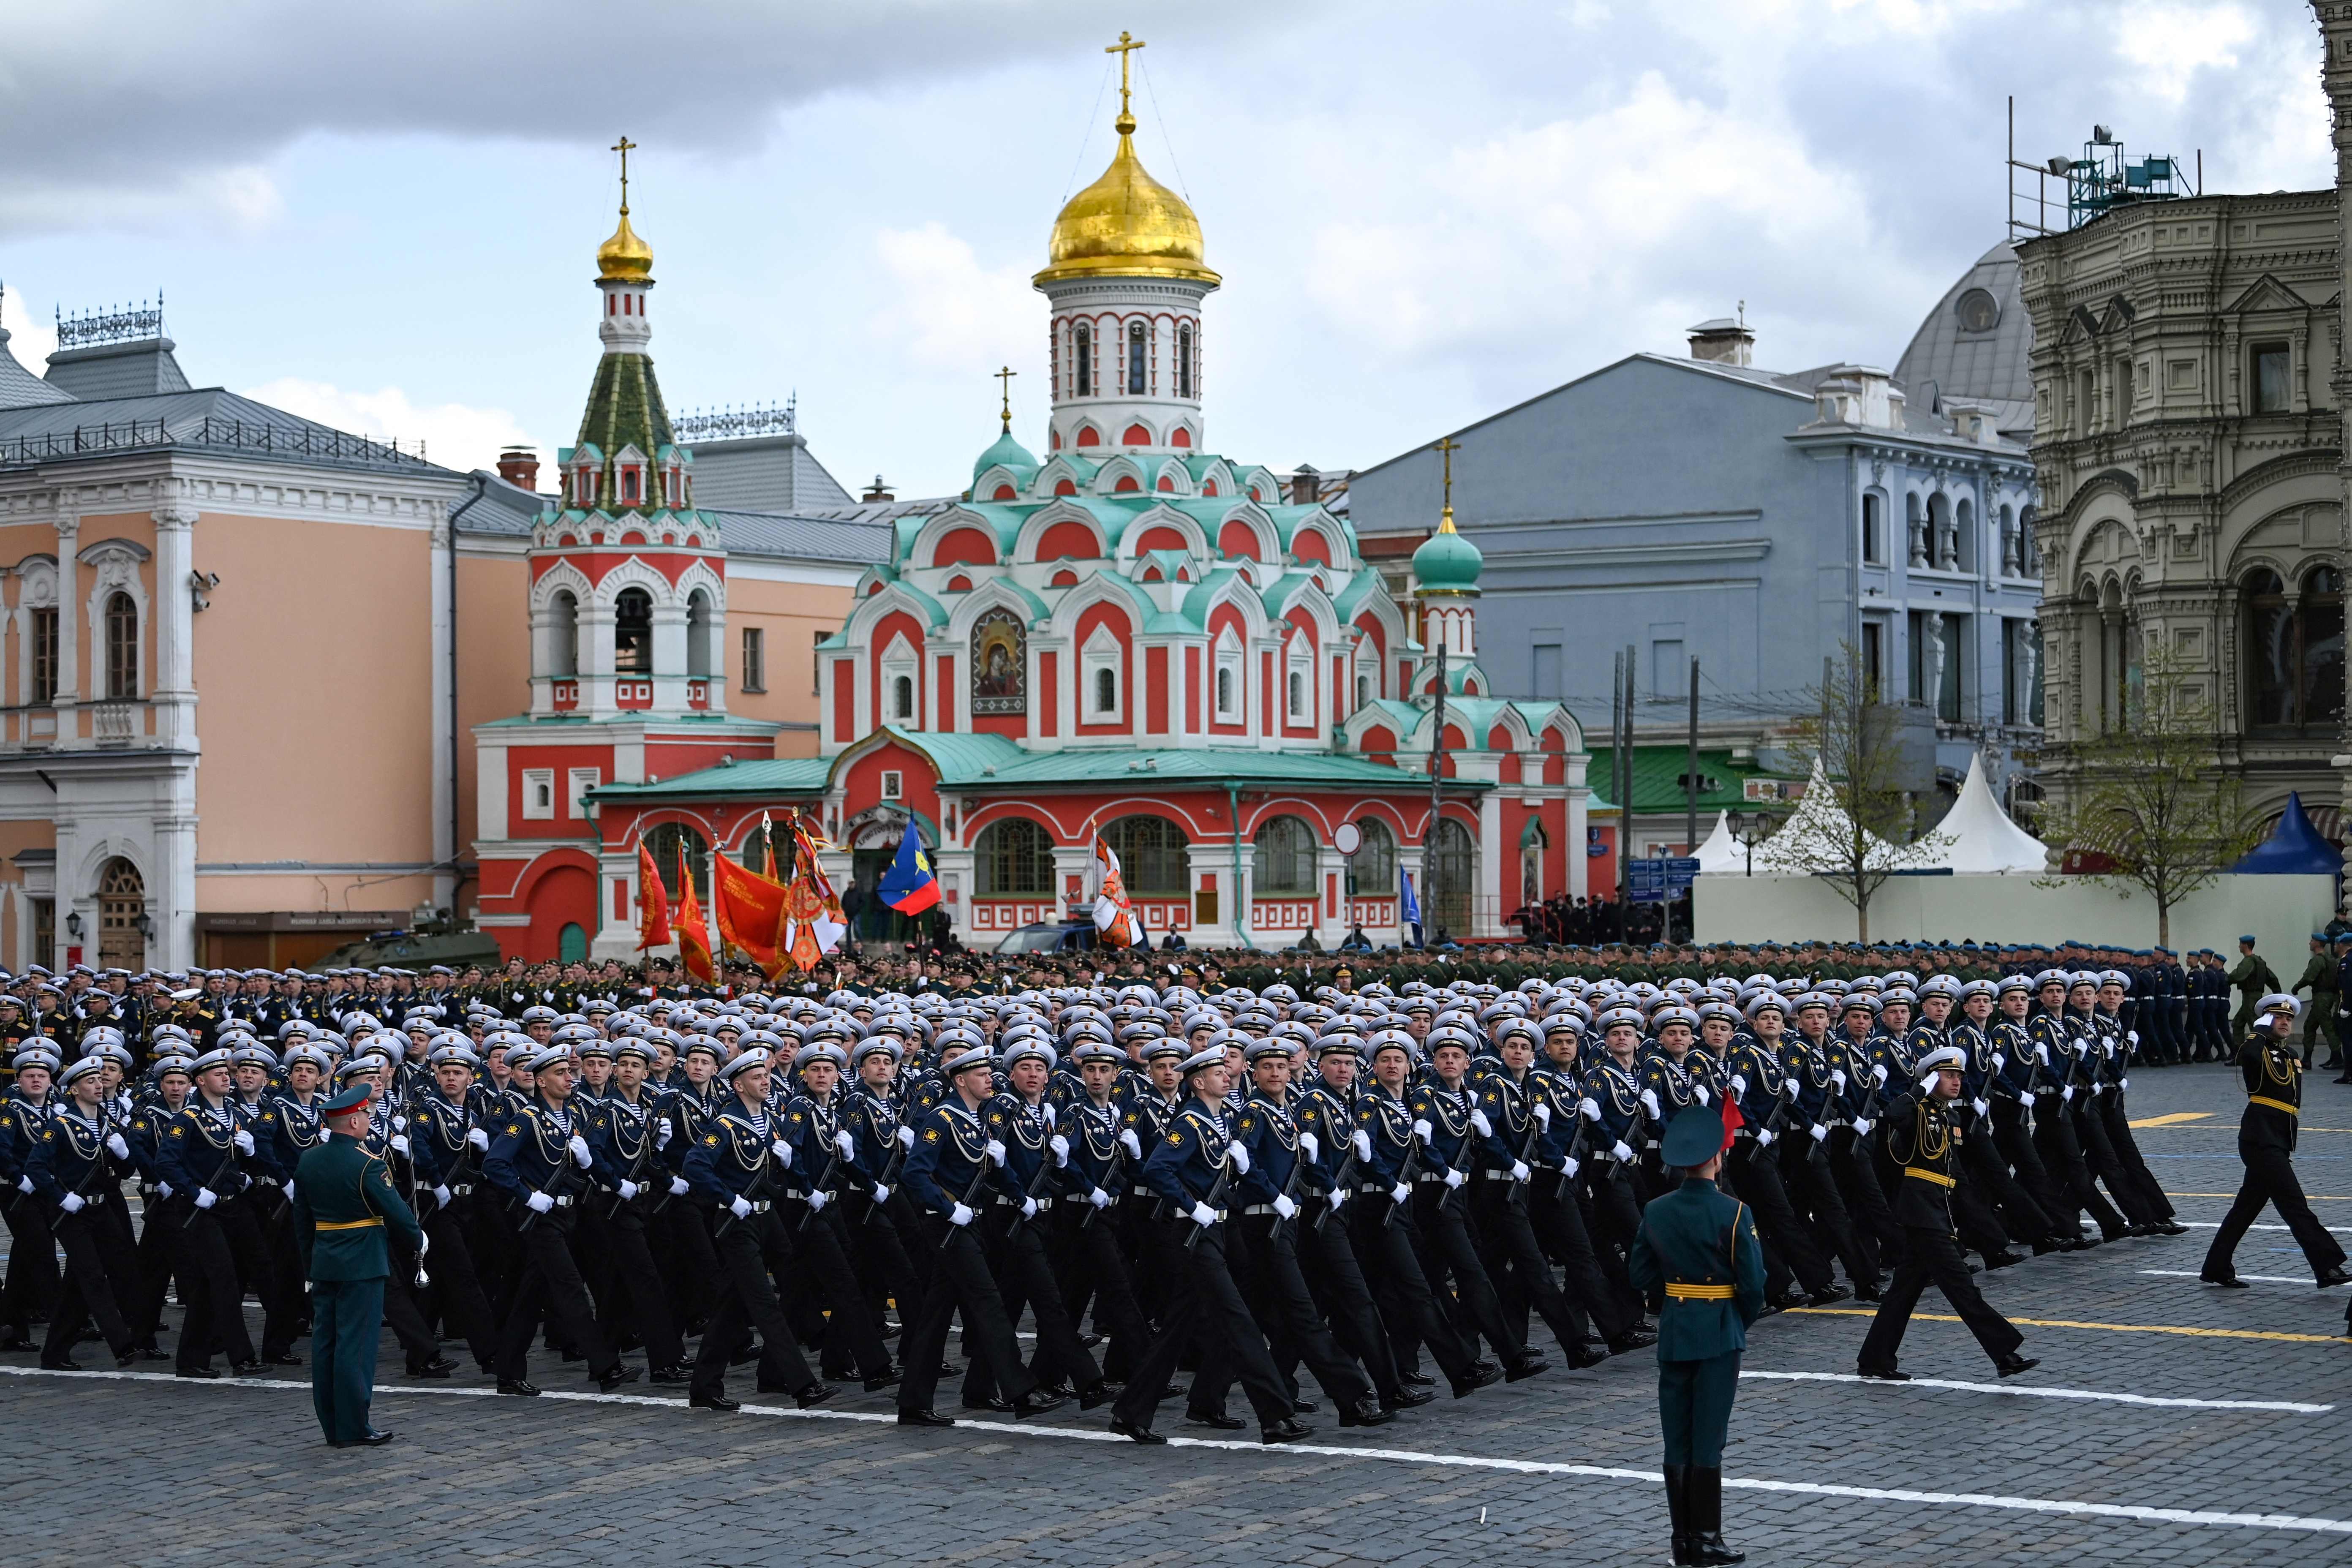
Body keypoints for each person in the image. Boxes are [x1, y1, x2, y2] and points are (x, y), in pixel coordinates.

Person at [1628, 1105, 1765, 1568]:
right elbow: (1753, 1285)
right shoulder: (1734, 1210)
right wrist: (1734, 1321)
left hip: (1675, 1329)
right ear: (1716, 1160)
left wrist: (1672, 1301)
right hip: (1719, 1330)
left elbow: (1640, 1272)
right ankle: (1706, 1538)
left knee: (1677, 1438)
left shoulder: (1657, 1209)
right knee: (1708, 1438)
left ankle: (1682, 1540)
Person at [1856, 1046, 2037, 1382]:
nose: (1956, 1082)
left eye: (1958, 1076)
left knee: (1904, 1292)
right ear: (1931, 1079)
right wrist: (1917, 1090)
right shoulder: (1916, 1109)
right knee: (1961, 1286)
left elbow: (1956, 1173)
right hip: (1920, 1210)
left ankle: (1875, 1358)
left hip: (1940, 1209)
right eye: (1948, 1075)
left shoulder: (1951, 1116)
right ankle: (2004, 1353)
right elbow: (1891, 1116)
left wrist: (1972, 1219)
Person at [292, 1083, 422, 1448]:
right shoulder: (368, 1164)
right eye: (364, 1114)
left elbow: (301, 1220)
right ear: (353, 1121)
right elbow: (397, 1212)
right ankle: (354, 1426)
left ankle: (333, 1425)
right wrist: (418, 1240)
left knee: (326, 1343)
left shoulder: (309, 1159)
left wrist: (308, 1265)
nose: (368, 1119)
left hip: (324, 1261)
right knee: (357, 1346)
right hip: (362, 1262)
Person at [2200, 994, 2351, 1289]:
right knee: (2294, 1204)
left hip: (2278, 1138)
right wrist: (2258, 1032)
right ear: (2266, 1021)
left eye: (2288, 1019)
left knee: (2245, 1208)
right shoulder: (2255, 1048)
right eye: (2277, 1017)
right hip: (2260, 1139)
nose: (2284, 1022)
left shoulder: (2290, 1053)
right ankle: (2327, 1266)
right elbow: (2249, 1056)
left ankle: (2216, 1267)